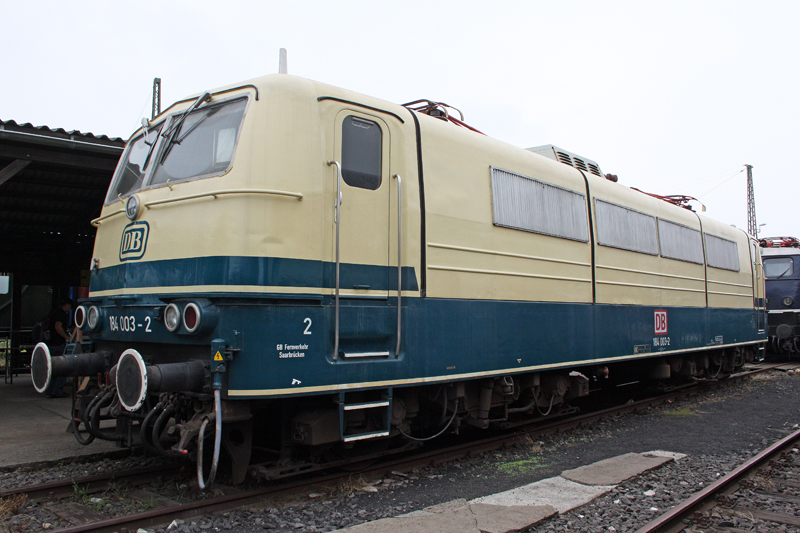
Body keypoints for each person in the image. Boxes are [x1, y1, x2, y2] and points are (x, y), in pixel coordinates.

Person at [44, 298, 72, 398]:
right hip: (58, 343)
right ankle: (57, 390)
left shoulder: (53, 312)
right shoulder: (61, 314)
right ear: (67, 305)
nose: (70, 309)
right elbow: (58, 326)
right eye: (70, 306)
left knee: (51, 368)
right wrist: (66, 337)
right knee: (62, 367)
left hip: (50, 343)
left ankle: (49, 390)